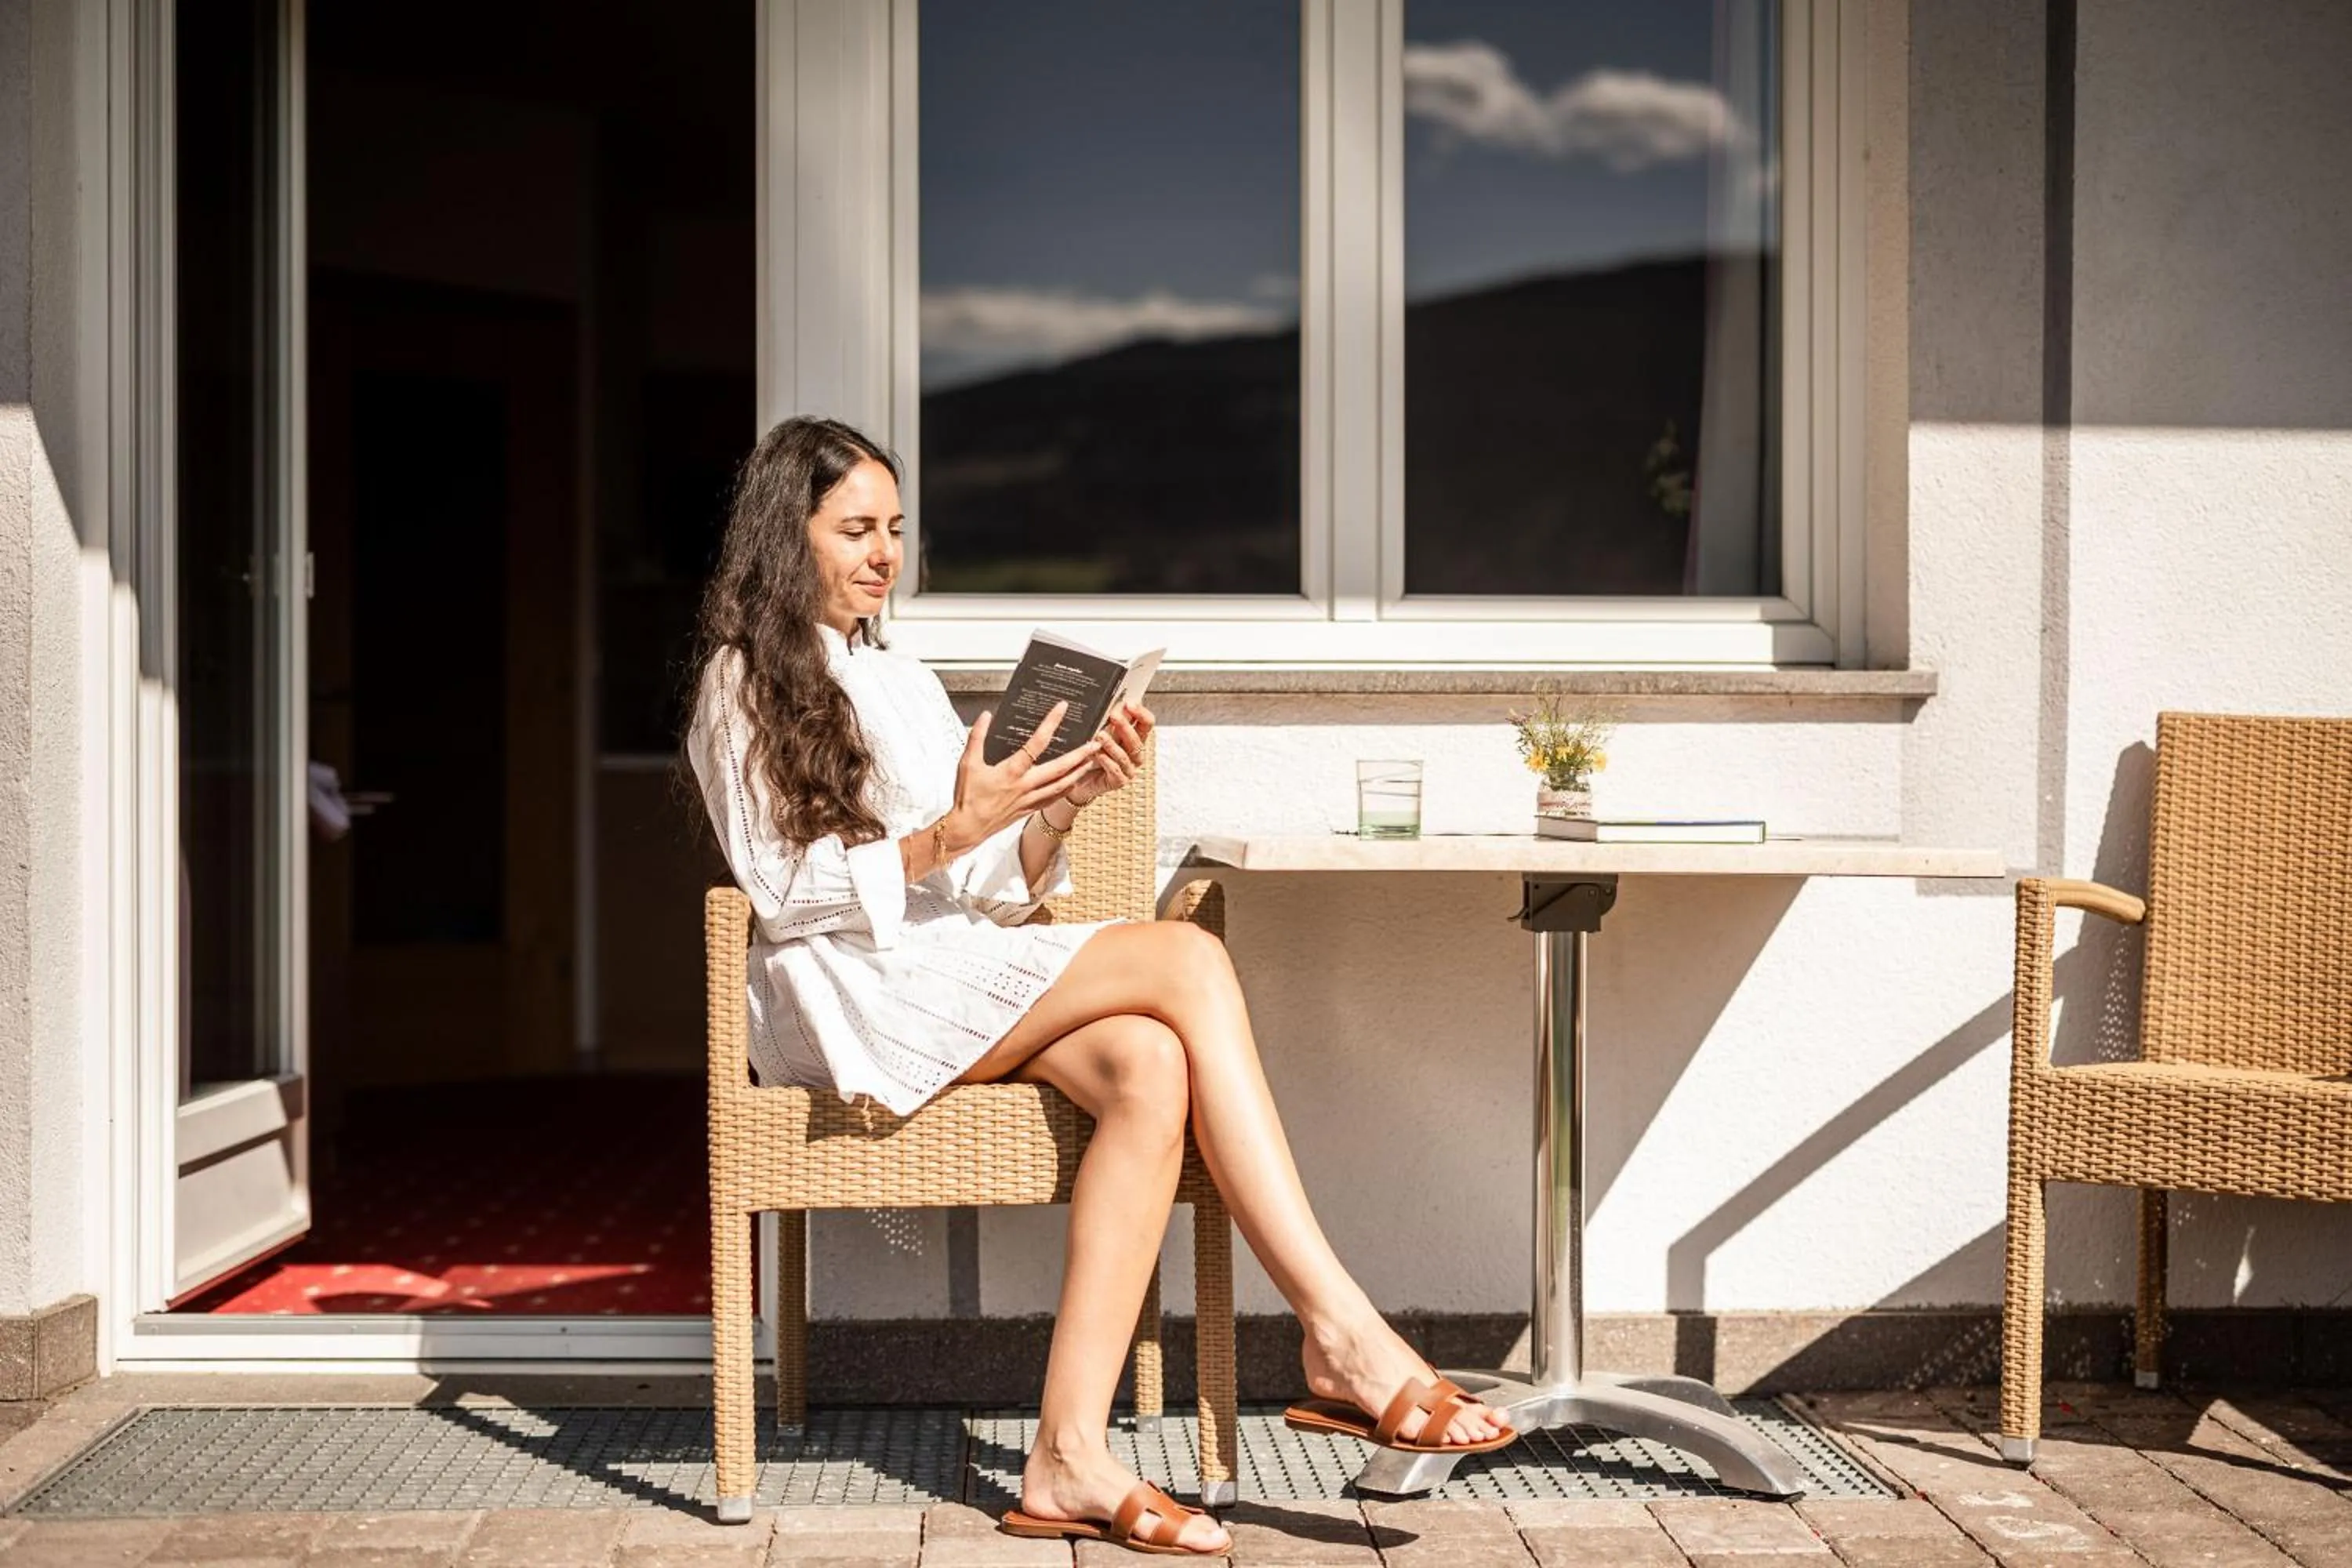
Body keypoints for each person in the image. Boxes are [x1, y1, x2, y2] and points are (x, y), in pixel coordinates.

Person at [686, 416, 1512, 1557]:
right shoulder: (736, 688)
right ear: (789, 539)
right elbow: (783, 893)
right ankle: (1342, 1338)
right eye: (856, 531)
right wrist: (944, 837)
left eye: (897, 531)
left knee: (1151, 1059)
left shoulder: (903, 677)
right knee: (1187, 956)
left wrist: (1059, 804)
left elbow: (992, 886)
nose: (886, 556)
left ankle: (1066, 1455)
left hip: (943, 960)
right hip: (839, 992)